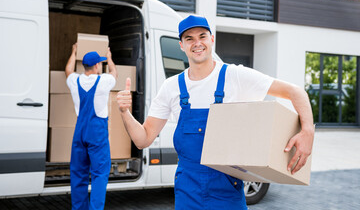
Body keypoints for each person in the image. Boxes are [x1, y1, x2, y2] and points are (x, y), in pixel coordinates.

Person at [117, 15, 314, 209]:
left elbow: (295, 92)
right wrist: (125, 112)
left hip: (227, 191)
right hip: (187, 192)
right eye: (189, 39)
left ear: (211, 39)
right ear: (181, 46)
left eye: (202, 36)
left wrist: (307, 132)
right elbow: (143, 139)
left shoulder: (235, 75)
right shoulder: (171, 87)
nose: (197, 43)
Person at [65, 44, 117, 210]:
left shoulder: (74, 81)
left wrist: (73, 52)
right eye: (100, 63)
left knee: (78, 174)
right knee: (99, 174)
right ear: (96, 65)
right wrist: (109, 58)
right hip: (97, 133)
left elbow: (68, 70)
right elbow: (114, 73)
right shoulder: (103, 81)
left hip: (79, 133)